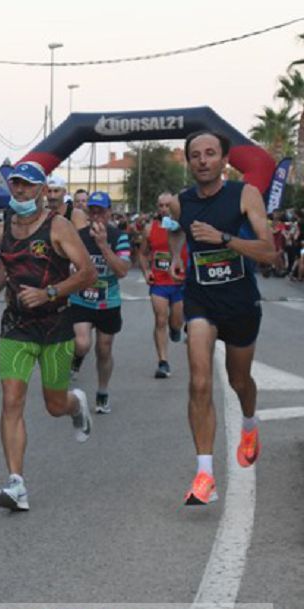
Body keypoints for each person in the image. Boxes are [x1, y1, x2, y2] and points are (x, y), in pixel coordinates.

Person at [165, 131, 278, 506]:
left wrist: (223, 238)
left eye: (210, 153)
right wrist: (178, 257)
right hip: (201, 301)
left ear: (224, 159)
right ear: (189, 161)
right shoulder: (183, 203)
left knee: (238, 379)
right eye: (195, 155)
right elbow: (176, 235)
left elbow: (269, 253)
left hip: (241, 303)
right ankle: (205, 475)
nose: (202, 160)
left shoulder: (244, 194)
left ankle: (249, 424)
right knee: (199, 381)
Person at [0, 162, 96, 511]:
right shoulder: (4, 228)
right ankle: (16, 483)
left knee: (54, 405)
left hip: (55, 324)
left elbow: (88, 273)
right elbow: (6, 264)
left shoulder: (58, 226)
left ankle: (76, 405)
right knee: (11, 400)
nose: (20, 191)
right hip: (16, 325)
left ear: (42, 190)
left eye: (28, 186)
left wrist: (49, 293)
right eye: (16, 185)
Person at [67, 191, 131, 414]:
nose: (96, 216)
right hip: (81, 298)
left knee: (104, 349)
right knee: (82, 343)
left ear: (109, 213)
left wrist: (103, 246)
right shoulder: (79, 236)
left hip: (108, 301)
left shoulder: (119, 236)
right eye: (91, 211)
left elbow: (122, 270)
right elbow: (70, 264)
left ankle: (102, 392)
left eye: (100, 212)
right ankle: (77, 357)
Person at [138, 192, 185, 378]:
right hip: (159, 282)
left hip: (180, 282)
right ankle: (163, 362)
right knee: (160, 320)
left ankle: (176, 329)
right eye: (161, 206)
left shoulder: (185, 228)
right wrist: (146, 271)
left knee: (176, 322)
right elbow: (142, 254)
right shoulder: (150, 229)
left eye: (168, 205)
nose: (165, 209)